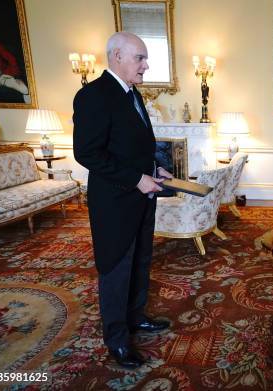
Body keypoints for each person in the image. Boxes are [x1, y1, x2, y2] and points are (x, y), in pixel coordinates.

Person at [73, 31, 174, 369]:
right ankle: (117, 340)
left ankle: (136, 317)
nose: (146, 65)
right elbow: (87, 153)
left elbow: (134, 146)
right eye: (140, 58)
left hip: (143, 198)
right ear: (117, 56)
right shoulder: (93, 96)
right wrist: (135, 179)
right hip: (115, 203)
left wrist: (156, 167)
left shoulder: (132, 93)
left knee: (141, 260)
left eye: (145, 58)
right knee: (116, 269)